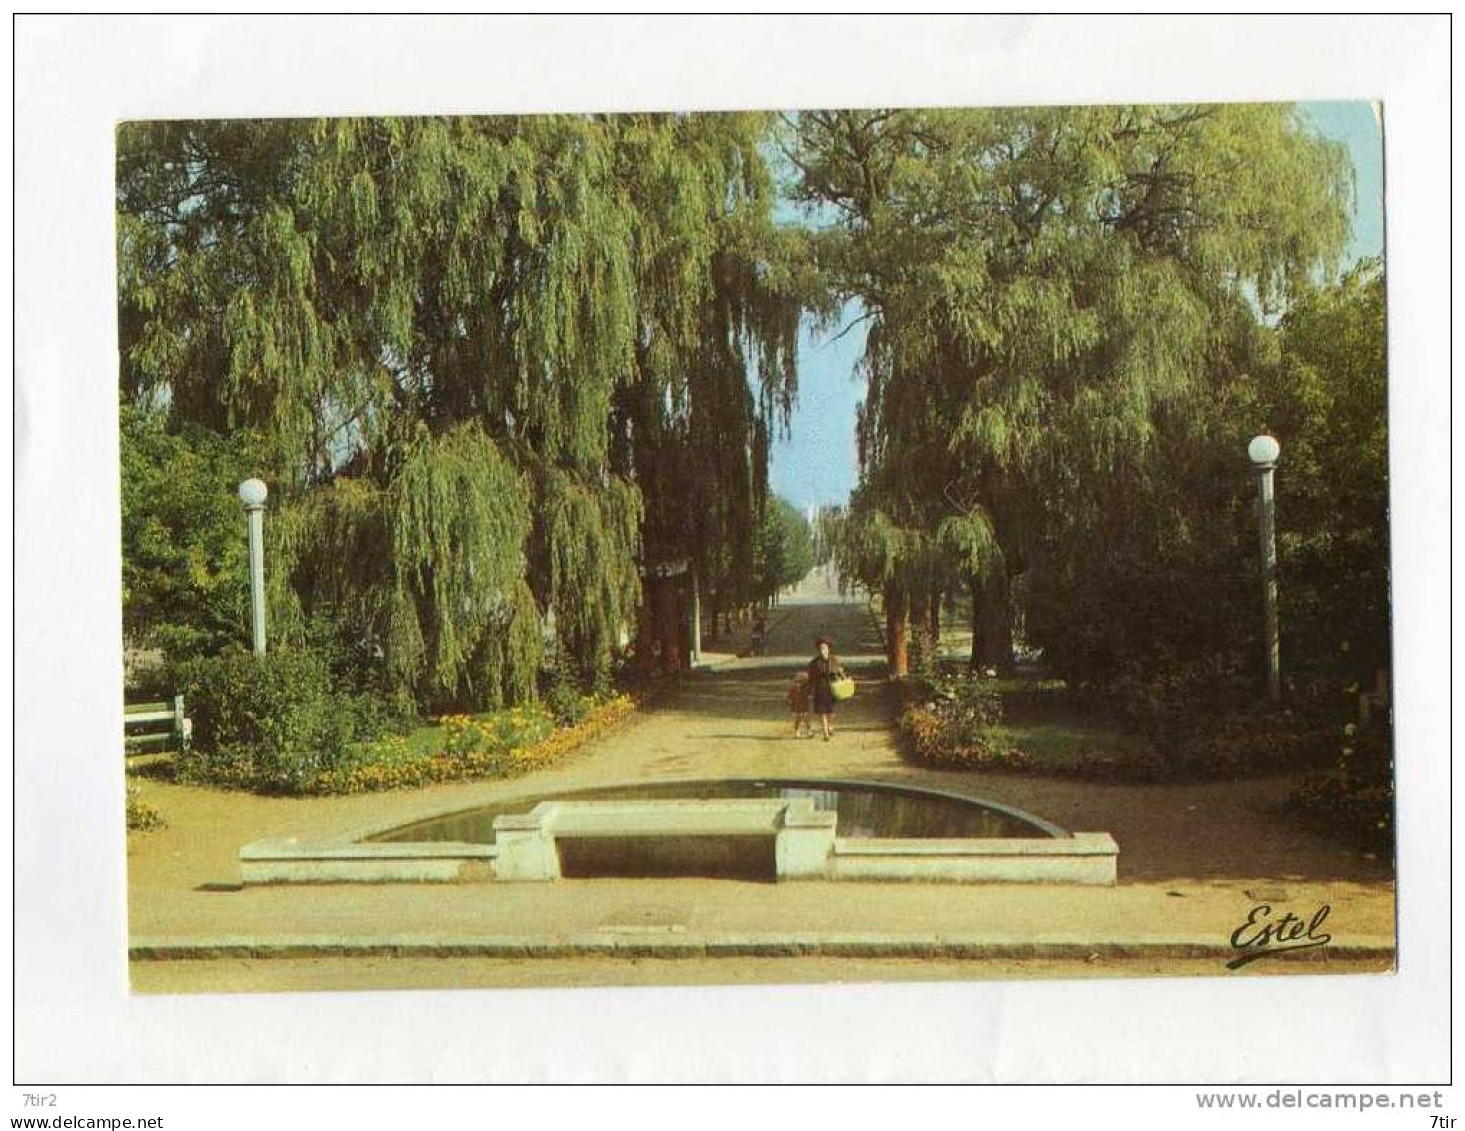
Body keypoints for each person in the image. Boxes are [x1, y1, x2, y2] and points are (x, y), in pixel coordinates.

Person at [806, 636, 845, 741]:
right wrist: (810, 691)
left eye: (825, 648)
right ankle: (825, 733)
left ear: (828, 649)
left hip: (831, 688)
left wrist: (842, 676)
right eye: (821, 648)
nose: (823, 650)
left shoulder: (834, 660)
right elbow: (810, 678)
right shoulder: (814, 663)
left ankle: (830, 725)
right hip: (819, 689)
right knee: (821, 712)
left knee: (830, 712)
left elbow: (840, 673)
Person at [786, 672, 812, 739]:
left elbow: (789, 697)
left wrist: (789, 702)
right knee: (804, 719)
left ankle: (800, 732)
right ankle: (805, 732)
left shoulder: (805, 688)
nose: (798, 684)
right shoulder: (797, 688)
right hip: (800, 706)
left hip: (799, 706)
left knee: (801, 719)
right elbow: (790, 697)